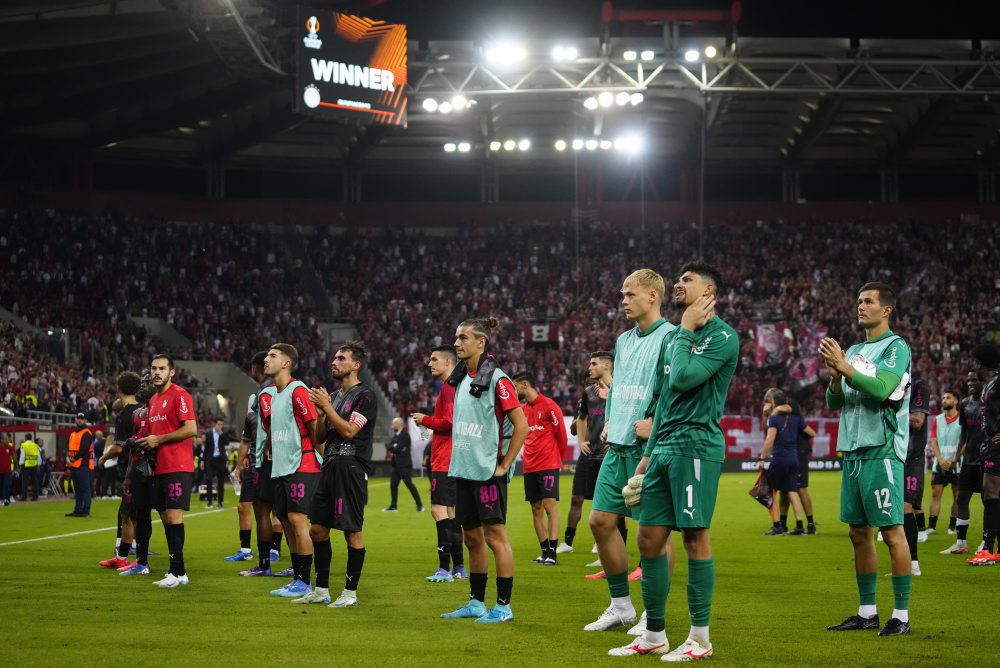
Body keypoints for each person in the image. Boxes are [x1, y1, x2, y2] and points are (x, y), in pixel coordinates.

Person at [610, 260, 738, 660]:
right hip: (663, 448)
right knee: (648, 538)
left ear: (709, 291)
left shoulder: (723, 337)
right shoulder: (673, 338)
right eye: (679, 279)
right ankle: (654, 634)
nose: (679, 284)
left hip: (696, 448)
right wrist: (647, 456)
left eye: (688, 280)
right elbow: (664, 398)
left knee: (695, 538)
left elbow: (683, 378)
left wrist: (684, 330)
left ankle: (700, 638)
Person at [820, 281, 913, 637]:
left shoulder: (895, 347)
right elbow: (835, 402)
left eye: (868, 301)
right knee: (858, 533)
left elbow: (882, 388)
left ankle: (901, 616)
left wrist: (843, 367)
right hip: (854, 451)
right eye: (858, 300)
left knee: (891, 533)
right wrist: (833, 377)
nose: (861, 306)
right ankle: (867, 612)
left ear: (886, 309)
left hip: (882, 451)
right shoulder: (855, 349)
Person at [585, 269, 675, 633]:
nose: (623, 301)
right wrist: (610, 418)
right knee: (601, 521)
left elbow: (674, 389)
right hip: (618, 443)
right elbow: (620, 385)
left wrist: (655, 422)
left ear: (653, 295)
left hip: (648, 447)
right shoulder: (623, 340)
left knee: (654, 532)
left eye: (629, 294)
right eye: (622, 295)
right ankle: (621, 606)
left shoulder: (672, 337)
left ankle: (653, 614)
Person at [439, 317, 528, 624]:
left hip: (488, 472)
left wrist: (505, 465)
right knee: (472, 539)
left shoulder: (499, 380)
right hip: (464, 471)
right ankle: (476, 602)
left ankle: (503, 606)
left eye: (463, 337)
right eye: (456, 337)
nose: (457, 342)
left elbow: (522, 426)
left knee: (495, 538)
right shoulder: (463, 379)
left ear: (481, 342)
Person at [297, 341, 378, 608]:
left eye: (341, 358)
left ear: (356, 365)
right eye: (334, 357)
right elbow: (319, 436)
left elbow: (350, 432)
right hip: (330, 464)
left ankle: (350, 593)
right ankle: (321, 590)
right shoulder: (335, 396)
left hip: (351, 466)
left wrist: (328, 409)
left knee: (351, 531)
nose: (334, 362)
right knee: (317, 530)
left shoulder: (364, 395)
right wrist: (322, 414)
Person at [258, 343, 321, 600]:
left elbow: (315, 428)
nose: (266, 359)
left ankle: (305, 582)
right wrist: (270, 446)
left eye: (272, 356)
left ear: (286, 363)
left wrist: (327, 462)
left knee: (297, 521)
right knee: (284, 521)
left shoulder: (298, 390)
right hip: (281, 467)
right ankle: (297, 578)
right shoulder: (274, 395)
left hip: (302, 464)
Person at [138, 353, 198, 588]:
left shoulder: (180, 395)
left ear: (172, 372)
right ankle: (176, 571)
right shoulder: (153, 400)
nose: (156, 372)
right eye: (153, 368)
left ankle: (178, 572)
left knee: (173, 516)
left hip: (177, 465)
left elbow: (191, 428)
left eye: (162, 368)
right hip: (159, 467)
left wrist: (158, 439)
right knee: (164, 517)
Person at [412, 345, 465, 583]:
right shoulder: (455, 386)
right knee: (451, 513)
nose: (430, 363)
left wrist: (426, 420)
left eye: (434, 360)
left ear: (447, 362)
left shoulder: (449, 387)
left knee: (438, 510)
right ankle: (459, 567)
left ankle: (444, 569)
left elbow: (450, 422)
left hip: (446, 459)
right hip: (454, 456)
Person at [557, 352, 612, 557]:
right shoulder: (589, 393)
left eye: (594, 364)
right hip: (589, 454)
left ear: (606, 366)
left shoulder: (619, 391)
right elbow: (579, 421)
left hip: (608, 455)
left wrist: (614, 442)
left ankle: (602, 545)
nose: (589, 368)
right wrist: (581, 441)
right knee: (576, 498)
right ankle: (568, 542)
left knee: (608, 503)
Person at [512, 372, 568, 566]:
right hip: (530, 466)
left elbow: (561, 436)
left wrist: (556, 461)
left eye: (515, 386)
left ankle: (553, 552)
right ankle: (544, 551)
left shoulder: (550, 406)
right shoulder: (522, 410)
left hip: (548, 465)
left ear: (525, 385)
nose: (514, 390)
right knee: (535, 509)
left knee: (549, 507)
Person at [97, 371, 144, 570]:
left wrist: (103, 457)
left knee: (129, 515)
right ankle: (126, 556)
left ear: (118, 389)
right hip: (147, 468)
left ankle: (130, 558)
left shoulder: (124, 415)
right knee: (131, 513)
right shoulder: (144, 410)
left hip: (132, 471)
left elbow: (117, 447)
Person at [227, 352, 267, 564]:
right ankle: (245, 549)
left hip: (274, 462)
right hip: (254, 462)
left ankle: (274, 551)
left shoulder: (281, 392)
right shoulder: (254, 397)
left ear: (255, 368)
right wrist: (239, 464)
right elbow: (247, 435)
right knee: (245, 506)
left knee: (276, 511)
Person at [759, 389, 816, 536]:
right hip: (794, 458)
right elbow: (811, 432)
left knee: (770, 492)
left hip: (779, 458)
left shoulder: (776, 418)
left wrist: (762, 457)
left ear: (774, 402)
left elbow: (769, 438)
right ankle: (800, 525)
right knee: (792, 491)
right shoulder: (795, 418)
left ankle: (777, 525)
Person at [944, 372, 985, 556]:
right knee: (961, 499)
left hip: (987, 459)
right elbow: (964, 434)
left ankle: (987, 541)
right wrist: (957, 455)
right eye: (968, 380)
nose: (970, 383)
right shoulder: (965, 404)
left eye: (974, 380)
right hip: (969, 460)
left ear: (983, 381)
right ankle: (961, 542)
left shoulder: (990, 403)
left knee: (989, 501)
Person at [967, 343, 1000, 566]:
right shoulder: (991, 383)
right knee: (993, 494)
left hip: (997, 446)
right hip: (990, 444)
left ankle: (987, 548)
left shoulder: (998, 383)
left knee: (990, 493)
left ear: (980, 362)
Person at [898, 378, 930, 565]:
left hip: (912, 460)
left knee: (905, 508)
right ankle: (903, 564)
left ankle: (913, 564)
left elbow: (917, 421)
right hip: (894, 458)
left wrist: (890, 411)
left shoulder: (918, 385)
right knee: (895, 511)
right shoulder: (889, 383)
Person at [928, 390, 963, 539]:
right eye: (943, 397)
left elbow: (965, 440)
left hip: (957, 463)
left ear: (955, 401)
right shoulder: (937, 419)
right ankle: (931, 526)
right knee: (936, 493)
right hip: (939, 462)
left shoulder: (962, 418)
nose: (944, 400)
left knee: (957, 495)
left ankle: (952, 526)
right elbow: (933, 440)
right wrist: (941, 459)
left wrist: (954, 459)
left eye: (948, 398)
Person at [384, 417, 424, 512]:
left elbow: (397, 448)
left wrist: (394, 447)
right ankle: (393, 506)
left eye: (393, 424)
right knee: (393, 485)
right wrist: (394, 447)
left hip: (404, 465)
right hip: (396, 465)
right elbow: (389, 446)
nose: (392, 426)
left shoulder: (405, 435)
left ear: (399, 424)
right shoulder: (396, 436)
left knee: (409, 485)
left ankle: (420, 505)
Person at [66, 412, 94, 517]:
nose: (80, 420)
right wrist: (68, 459)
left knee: (85, 489)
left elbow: (83, 449)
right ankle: (77, 510)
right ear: (75, 419)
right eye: (78, 418)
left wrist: (72, 459)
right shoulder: (73, 433)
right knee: (77, 490)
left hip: (83, 465)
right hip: (74, 465)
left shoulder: (86, 433)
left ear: (85, 420)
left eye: (82, 419)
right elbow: (69, 448)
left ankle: (85, 511)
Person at [203, 418, 230, 509]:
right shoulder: (209, 434)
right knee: (209, 480)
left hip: (220, 460)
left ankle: (220, 502)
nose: (220, 426)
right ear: (215, 424)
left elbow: (227, 442)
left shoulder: (223, 433)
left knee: (221, 482)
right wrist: (203, 460)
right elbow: (206, 448)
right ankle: (209, 501)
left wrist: (221, 433)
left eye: (221, 424)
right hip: (211, 460)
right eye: (218, 424)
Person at [17, 434, 40, 502]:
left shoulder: (24, 445)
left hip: (26, 465)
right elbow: (38, 456)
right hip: (34, 465)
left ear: (26, 438)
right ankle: (35, 496)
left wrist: (20, 464)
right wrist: (38, 464)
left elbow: (22, 456)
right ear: (31, 438)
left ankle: (24, 497)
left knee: (25, 481)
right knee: (34, 481)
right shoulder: (35, 445)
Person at [0, 436, 14, 505]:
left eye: (7, 439)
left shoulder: (9, 447)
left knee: (7, 485)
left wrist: (16, 467)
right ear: (1, 440)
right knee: (1, 485)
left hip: (7, 470)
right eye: (5, 439)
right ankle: (1, 499)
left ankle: (7, 499)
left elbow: (14, 456)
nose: (7, 440)